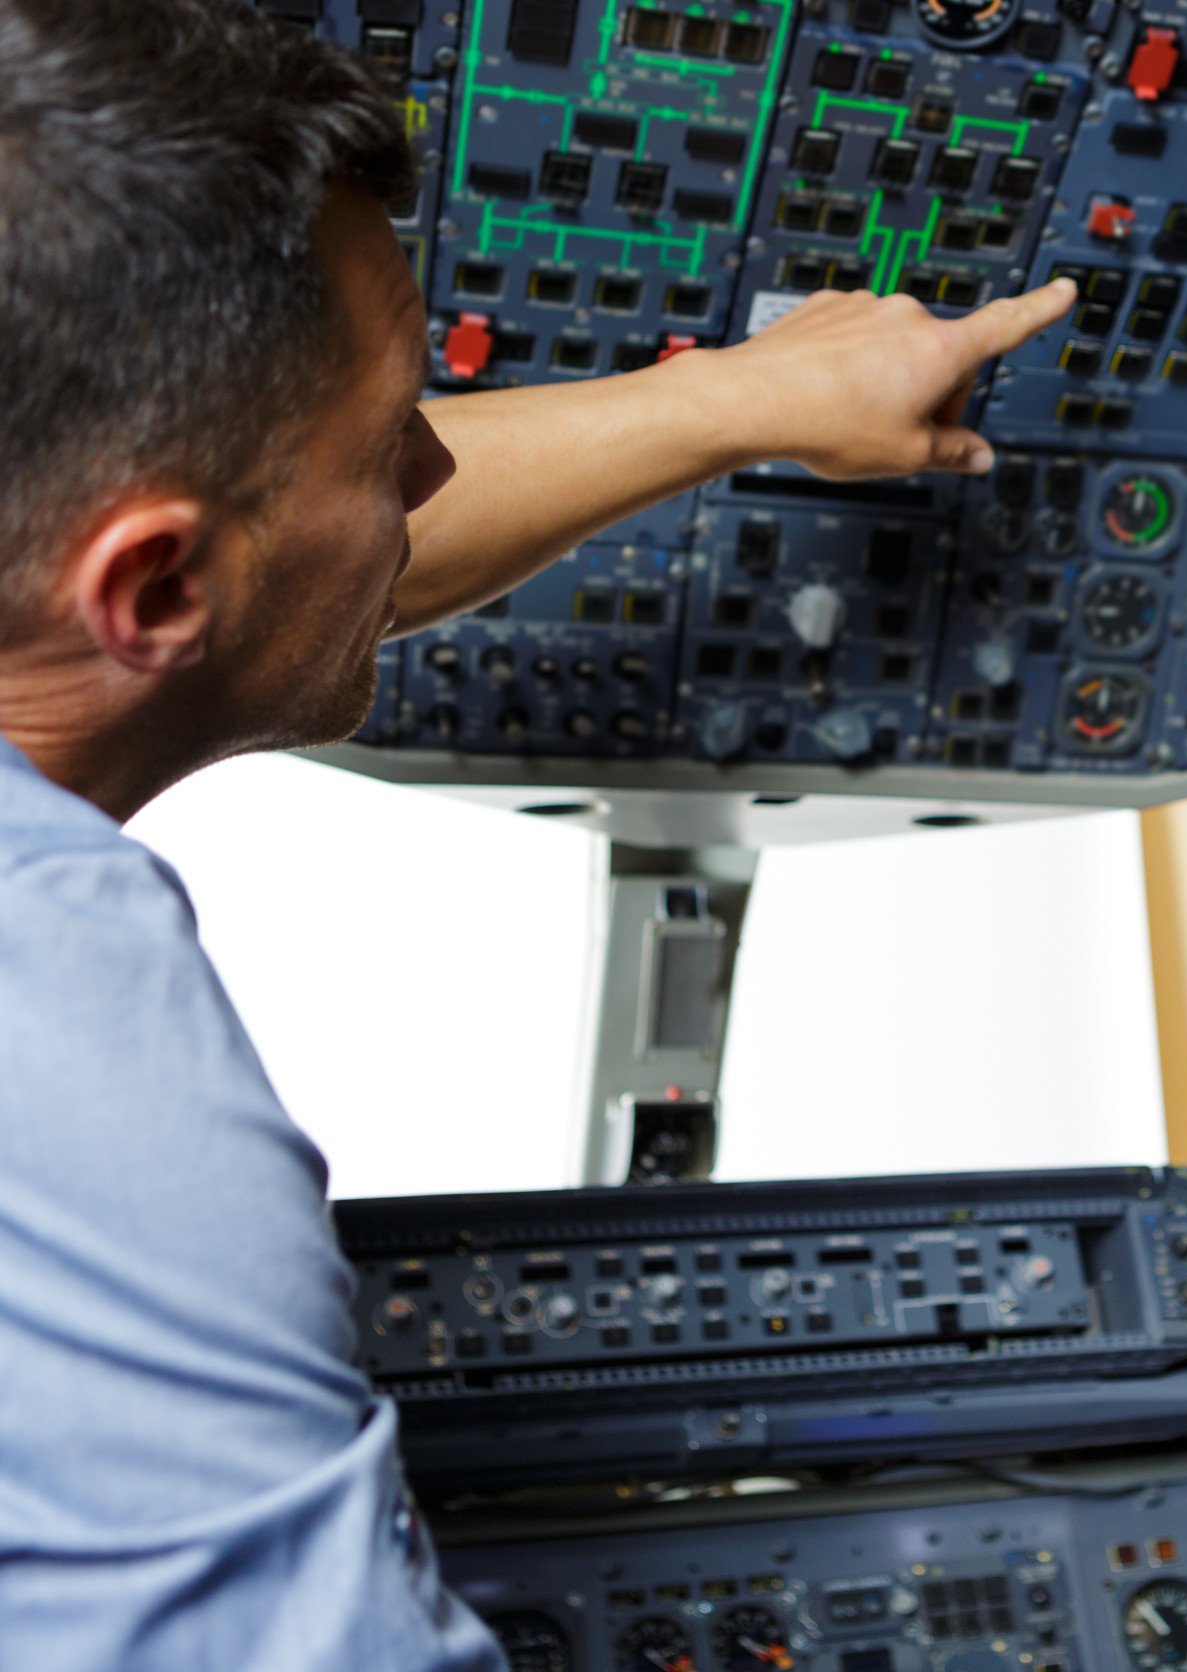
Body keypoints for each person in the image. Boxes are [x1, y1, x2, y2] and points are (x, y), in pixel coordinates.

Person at [0, 1, 1070, 1662]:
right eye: (388, 447)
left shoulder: (71, 551)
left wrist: (745, 399)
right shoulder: (61, 1023)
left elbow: (280, 551)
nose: (435, 471)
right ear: (151, 584)